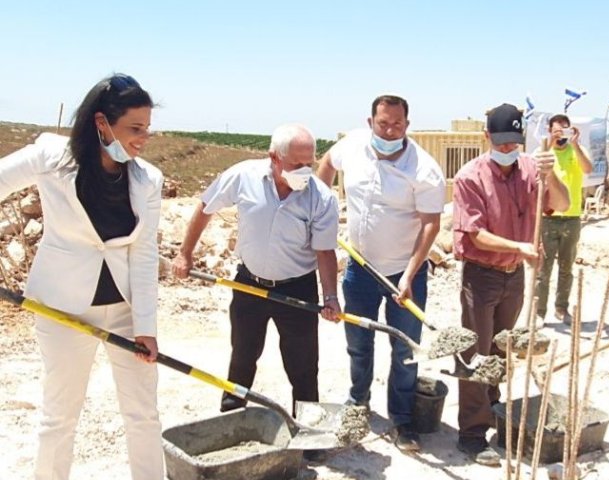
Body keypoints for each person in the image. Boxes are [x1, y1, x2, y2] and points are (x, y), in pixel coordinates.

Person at [0, 74, 164, 479]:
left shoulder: (148, 180)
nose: (143, 138)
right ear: (101, 123)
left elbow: (143, 255)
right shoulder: (50, 157)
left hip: (126, 311)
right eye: (135, 129)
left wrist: (147, 326)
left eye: (147, 129)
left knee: (143, 414)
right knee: (60, 416)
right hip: (61, 309)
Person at [171, 124, 341, 422]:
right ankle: (232, 418)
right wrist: (185, 254)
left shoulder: (321, 198)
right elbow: (206, 206)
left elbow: (325, 251)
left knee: (303, 365)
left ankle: (309, 430)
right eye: (296, 164)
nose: (305, 171)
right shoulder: (243, 176)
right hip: (249, 285)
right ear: (274, 157)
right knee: (243, 356)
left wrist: (330, 296)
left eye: (309, 164)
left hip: (297, 290)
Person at [317, 94, 445, 452]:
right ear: (370, 122)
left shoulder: (424, 169)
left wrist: (409, 274)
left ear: (407, 125)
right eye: (383, 123)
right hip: (360, 269)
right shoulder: (354, 145)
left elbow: (430, 225)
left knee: (404, 349)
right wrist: (319, 201)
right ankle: (358, 402)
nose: (389, 131)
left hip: (406, 273)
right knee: (358, 343)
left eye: (397, 125)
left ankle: (403, 421)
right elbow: (327, 161)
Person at [452, 104, 569, 466]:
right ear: (486, 138)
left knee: (502, 347)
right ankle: (471, 432)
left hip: (514, 276)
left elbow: (561, 204)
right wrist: (519, 246)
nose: (507, 150)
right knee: (476, 352)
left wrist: (552, 179)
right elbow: (476, 234)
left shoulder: (533, 169)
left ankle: (493, 407)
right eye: (501, 143)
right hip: (482, 275)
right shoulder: (470, 177)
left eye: (514, 144)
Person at [534, 114, 592, 325]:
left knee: (566, 266)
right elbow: (533, 169)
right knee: (543, 268)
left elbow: (588, 169)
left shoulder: (577, 151)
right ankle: (539, 312)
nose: (561, 135)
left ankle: (561, 308)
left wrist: (575, 145)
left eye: (565, 130)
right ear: (550, 131)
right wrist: (549, 144)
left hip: (572, 217)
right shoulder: (543, 152)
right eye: (557, 131)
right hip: (547, 218)